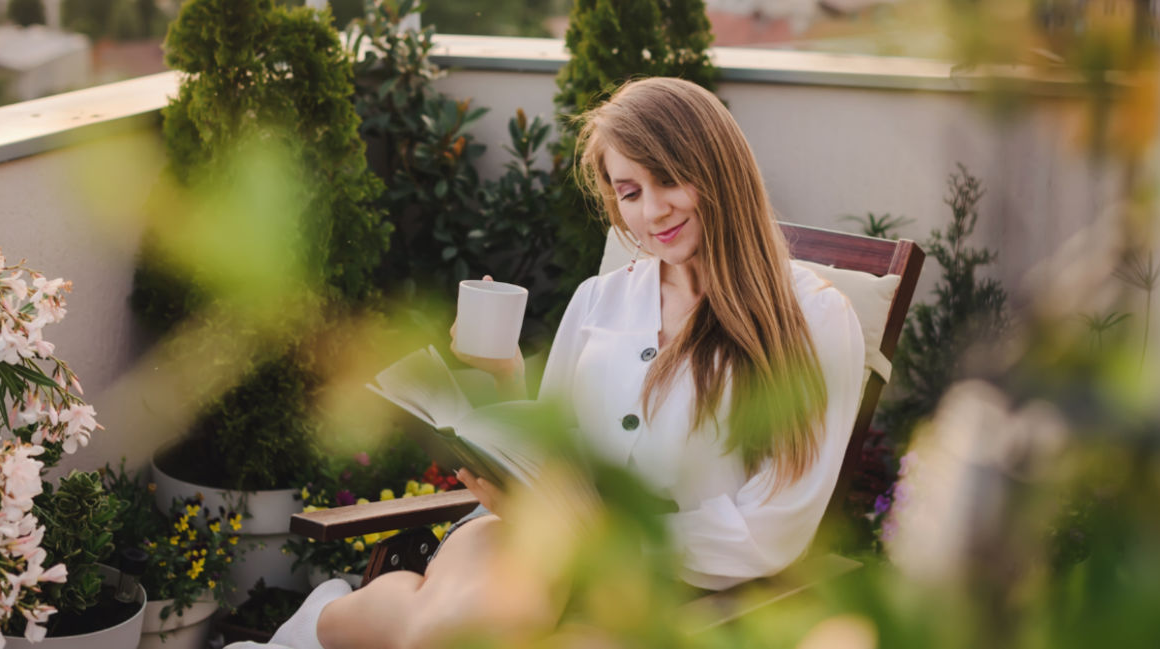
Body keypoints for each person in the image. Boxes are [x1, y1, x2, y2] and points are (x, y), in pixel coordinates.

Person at [232, 76, 865, 649]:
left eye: (670, 179)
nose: (653, 211)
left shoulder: (811, 322)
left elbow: (775, 525)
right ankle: (319, 626)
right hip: (525, 541)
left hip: (662, 584)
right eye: (630, 191)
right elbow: (558, 442)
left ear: (719, 169)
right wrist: (503, 383)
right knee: (450, 633)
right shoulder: (600, 299)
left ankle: (318, 627)